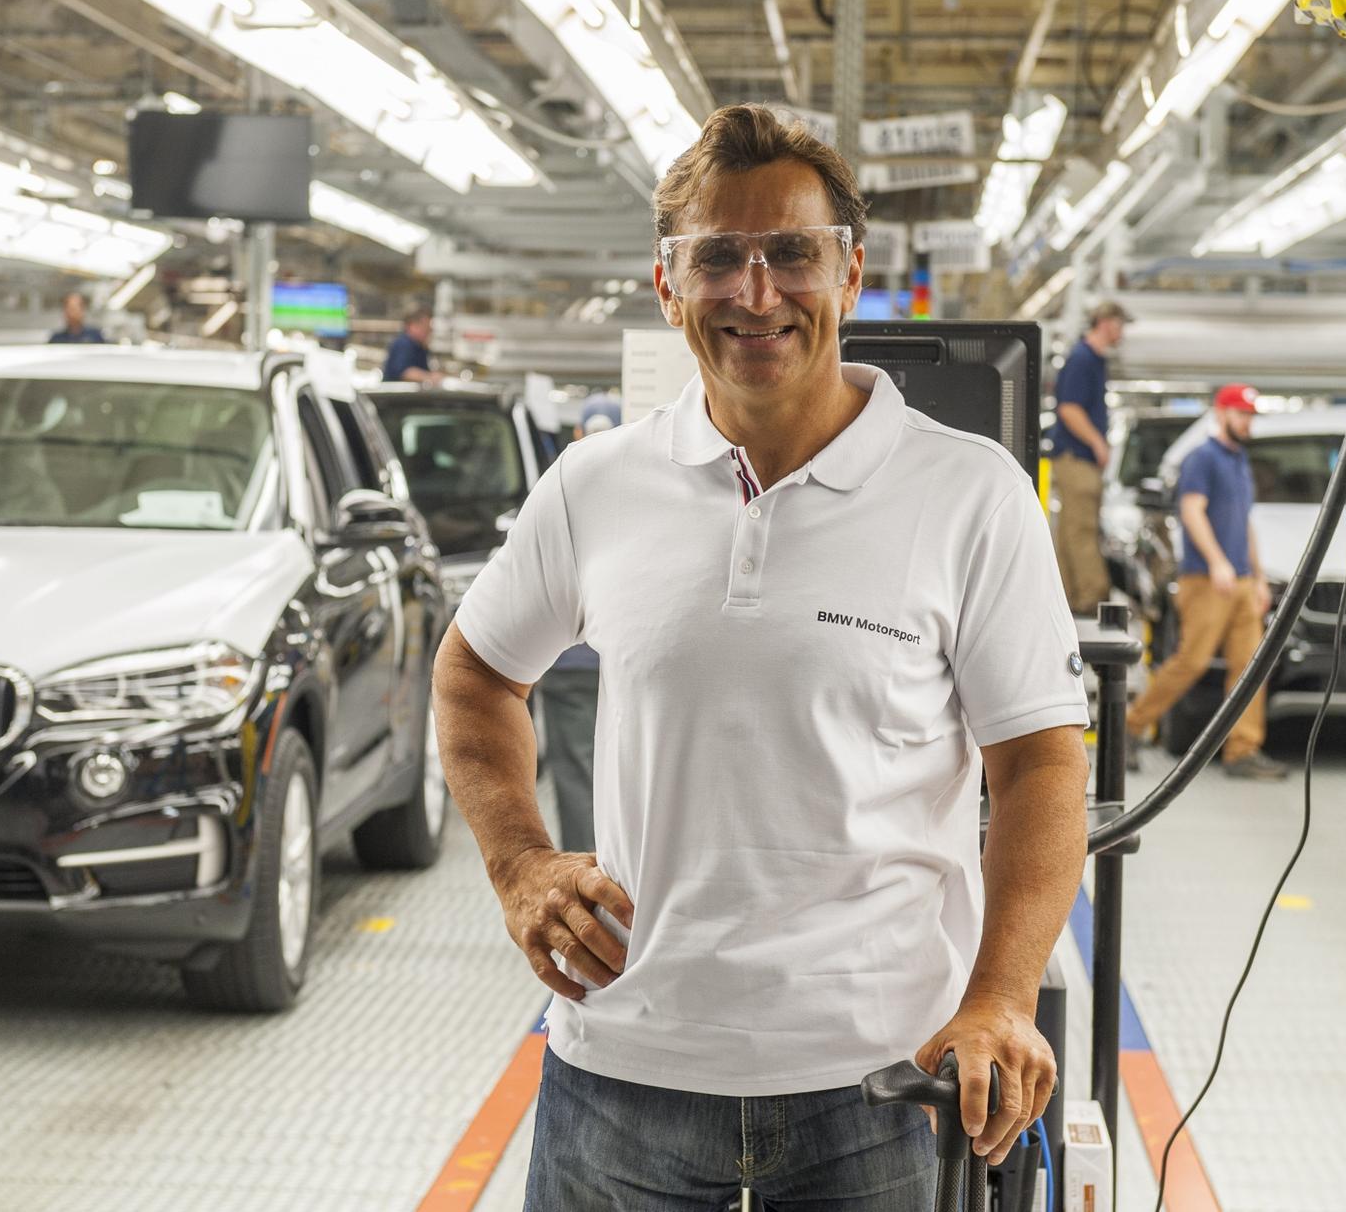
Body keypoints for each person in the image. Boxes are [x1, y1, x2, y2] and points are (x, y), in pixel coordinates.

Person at [433, 104, 1091, 1209]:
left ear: (849, 272)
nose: (755, 291)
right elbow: (474, 673)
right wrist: (520, 865)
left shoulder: (970, 493)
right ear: (667, 285)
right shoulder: (595, 485)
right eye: (718, 258)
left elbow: (1043, 762)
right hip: (621, 1075)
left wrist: (1003, 997)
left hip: (878, 1082)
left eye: (791, 252)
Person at [1125, 384, 1289, 781]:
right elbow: (1192, 511)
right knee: (1191, 662)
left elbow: (1244, 522)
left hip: (1243, 582)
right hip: (1206, 580)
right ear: (1221, 413)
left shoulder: (1240, 461)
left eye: (1251, 416)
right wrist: (1217, 563)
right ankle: (1131, 726)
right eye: (1240, 414)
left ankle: (1243, 749)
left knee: (1250, 667)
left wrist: (1259, 576)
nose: (1247, 422)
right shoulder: (1202, 459)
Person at [537, 400, 622, 853]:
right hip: (624, 661)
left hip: (569, 661)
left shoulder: (557, 487)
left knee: (576, 777)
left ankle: (584, 890)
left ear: (575, 431)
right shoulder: (647, 489)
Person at [1047, 301, 1129, 615]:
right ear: (1106, 322)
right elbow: (1069, 408)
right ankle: (1090, 601)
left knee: (1071, 529)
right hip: (1077, 458)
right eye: (1120, 324)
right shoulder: (1083, 359)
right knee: (1081, 529)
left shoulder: (1091, 359)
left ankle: (1068, 597)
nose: (1122, 332)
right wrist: (1097, 442)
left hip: (1075, 458)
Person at [380, 307, 442, 384]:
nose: (429, 332)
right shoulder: (403, 344)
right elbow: (404, 372)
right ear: (412, 326)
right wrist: (429, 377)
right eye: (425, 328)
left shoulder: (420, 347)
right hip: (396, 394)